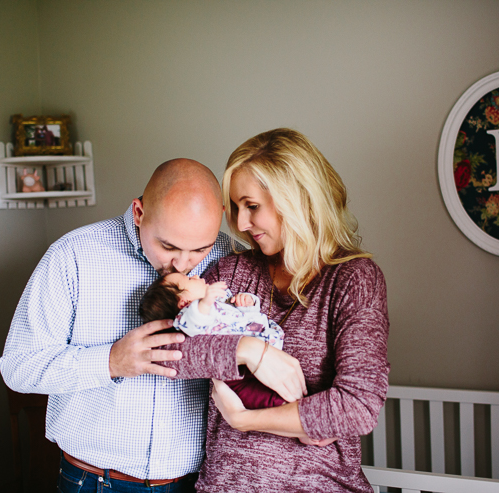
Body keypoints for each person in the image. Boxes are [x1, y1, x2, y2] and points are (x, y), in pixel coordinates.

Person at [0, 159, 265, 492]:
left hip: (197, 481)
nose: (183, 264)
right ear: (139, 212)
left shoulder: (231, 257)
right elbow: (18, 367)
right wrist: (110, 361)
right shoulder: (73, 255)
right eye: (168, 246)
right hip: (95, 481)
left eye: (200, 248)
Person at [161, 128, 390, 492]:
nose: (240, 224)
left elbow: (357, 406)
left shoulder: (353, 280)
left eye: (251, 206)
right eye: (236, 208)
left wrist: (244, 420)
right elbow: (168, 352)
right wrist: (247, 351)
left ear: (297, 199)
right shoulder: (230, 273)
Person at [140, 273, 285, 409]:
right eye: (190, 279)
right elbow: (195, 320)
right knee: (254, 394)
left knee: (276, 381)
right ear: (184, 303)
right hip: (237, 367)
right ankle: (280, 407)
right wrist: (205, 302)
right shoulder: (187, 319)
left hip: (264, 341)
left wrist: (247, 302)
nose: (196, 276)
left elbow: (244, 317)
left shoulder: (219, 302)